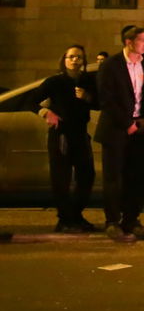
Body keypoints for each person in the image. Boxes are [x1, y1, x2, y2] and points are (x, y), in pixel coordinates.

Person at [93, 26, 144, 243]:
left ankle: (131, 219)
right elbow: (106, 99)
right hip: (116, 129)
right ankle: (112, 221)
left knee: (135, 177)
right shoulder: (111, 66)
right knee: (113, 178)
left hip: (139, 129)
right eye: (143, 41)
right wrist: (126, 122)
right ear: (129, 42)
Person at [35, 45, 99, 232]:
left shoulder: (88, 81)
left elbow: (100, 102)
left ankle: (75, 215)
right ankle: (64, 219)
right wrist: (45, 112)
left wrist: (87, 97)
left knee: (87, 175)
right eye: (71, 57)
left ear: (83, 61)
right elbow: (32, 100)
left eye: (79, 57)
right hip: (61, 134)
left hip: (80, 133)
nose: (75, 60)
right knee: (61, 177)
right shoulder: (55, 82)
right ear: (64, 60)